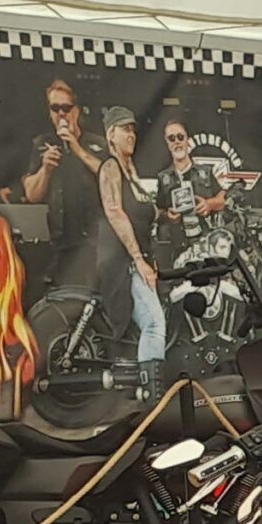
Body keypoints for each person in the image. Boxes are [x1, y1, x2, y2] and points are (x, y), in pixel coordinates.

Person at [94, 107, 167, 367]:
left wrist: (166, 214)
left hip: (139, 259)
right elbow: (115, 212)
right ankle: (151, 387)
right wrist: (138, 259)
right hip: (122, 264)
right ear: (110, 134)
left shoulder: (130, 171)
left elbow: (143, 210)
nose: (131, 135)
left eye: (133, 130)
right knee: (154, 324)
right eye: (125, 129)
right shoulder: (110, 167)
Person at [17, 77, 106, 293]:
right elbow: (32, 195)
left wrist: (76, 147)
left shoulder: (96, 143)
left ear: (77, 110)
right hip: (60, 243)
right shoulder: (42, 144)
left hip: (95, 241)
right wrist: (45, 169)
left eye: (66, 108)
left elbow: (110, 177)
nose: (61, 114)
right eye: (55, 108)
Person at [154, 114, 229, 268]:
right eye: (171, 138)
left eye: (180, 137)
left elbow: (223, 199)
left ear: (187, 140)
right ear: (167, 143)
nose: (177, 142)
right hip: (178, 247)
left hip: (206, 245)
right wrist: (168, 216)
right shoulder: (163, 178)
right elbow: (158, 211)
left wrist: (209, 204)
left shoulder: (205, 172)